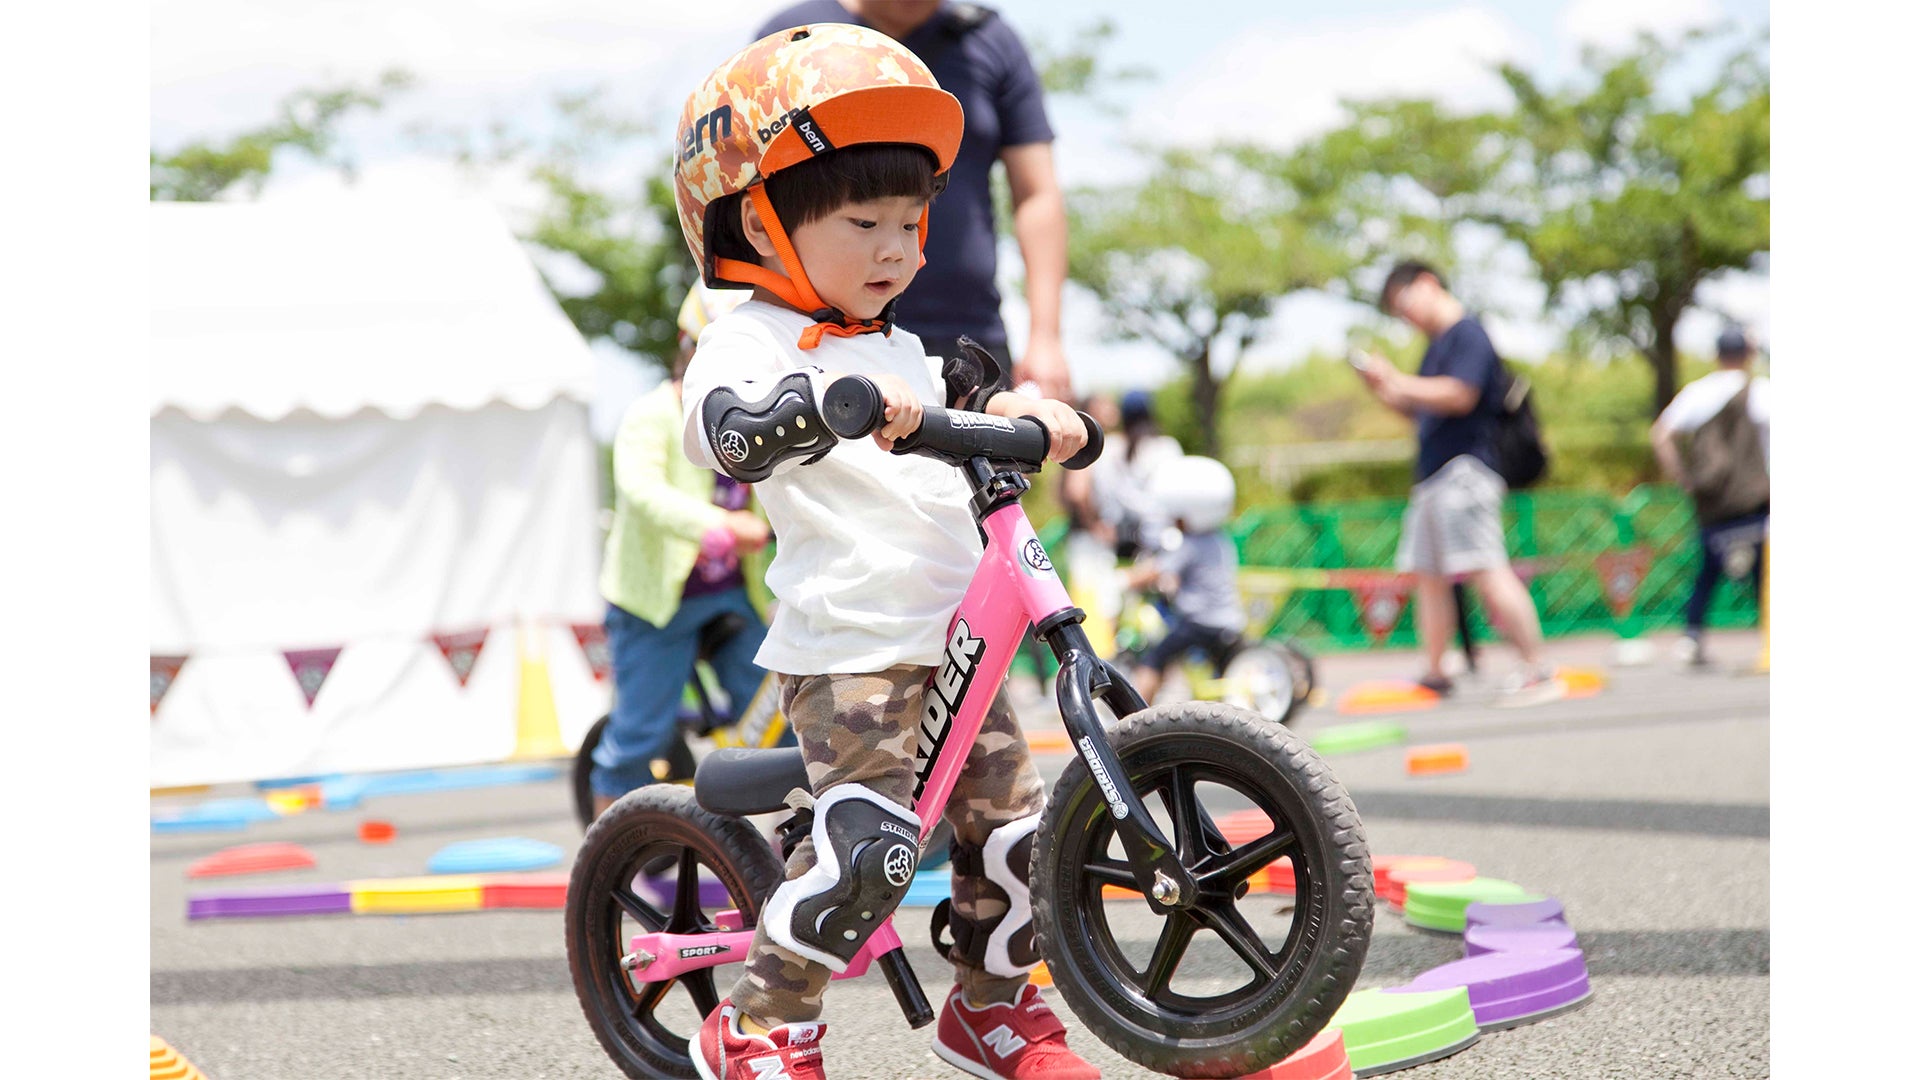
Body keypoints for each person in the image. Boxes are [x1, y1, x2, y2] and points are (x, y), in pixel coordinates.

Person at [669, 26, 1098, 1079]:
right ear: (760, 223)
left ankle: (994, 1014)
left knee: (1013, 842)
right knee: (869, 855)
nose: (896, 249)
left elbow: (960, 404)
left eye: (910, 223)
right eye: (863, 222)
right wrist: (818, 404)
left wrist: (1024, 410)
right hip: (853, 641)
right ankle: (762, 1025)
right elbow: (725, 427)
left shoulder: (903, 347)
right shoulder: (746, 339)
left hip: (959, 638)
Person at [753, 1, 1072, 400]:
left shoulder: (989, 40)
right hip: (810, 333)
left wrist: (1046, 337)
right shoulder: (793, 37)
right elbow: (749, 183)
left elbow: (1037, 194)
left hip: (966, 338)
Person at [589, 283, 776, 818]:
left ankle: (783, 851)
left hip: (730, 594)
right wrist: (721, 525)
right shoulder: (653, 414)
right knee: (641, 732)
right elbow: (642, 491)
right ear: (687, 347)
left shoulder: (752, 417)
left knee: (774, 719)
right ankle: (604, 855)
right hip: (654, 600)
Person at [1359, 261, 1561, 707]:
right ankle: (1436, 673)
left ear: (1427, 285)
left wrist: (1397, 378)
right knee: (1429, 577)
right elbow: (1422, 408)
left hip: (1465, 472)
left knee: (1488, 568)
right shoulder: (1436, 346)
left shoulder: (1468, 332)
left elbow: (1459, 394)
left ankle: (1538, 668)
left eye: (1403, 302)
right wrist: (1383, 388)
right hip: (1433, 476)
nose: (1404, 315)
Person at [1650, 325, 1770, 667]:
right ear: (1747, 355)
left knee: (1707, 570)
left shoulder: (1697, 393)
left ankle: (1692, 636)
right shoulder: (1759, 391)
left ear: (1718, 355)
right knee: (1765, 570)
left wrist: (1683, 478)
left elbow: (1661, 435)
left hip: (1712, 499)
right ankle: (1772, 637)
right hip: (1753, 497)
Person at [1123, 455, 1247, 705]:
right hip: (1229, 620)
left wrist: (1124, 580)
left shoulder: (1190, 543)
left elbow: (1157, 570)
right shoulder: (1219, 538)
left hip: (1201, 622)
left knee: (1155, 657)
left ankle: (1134, 713)